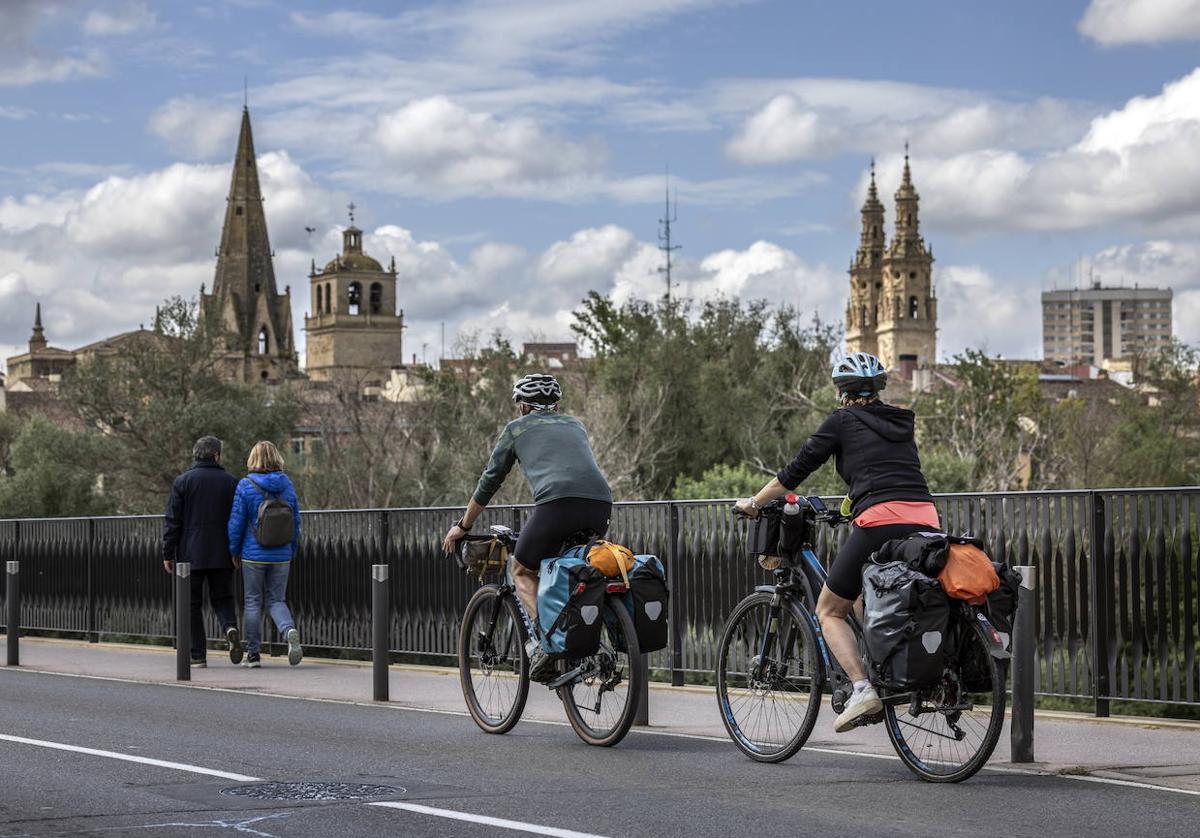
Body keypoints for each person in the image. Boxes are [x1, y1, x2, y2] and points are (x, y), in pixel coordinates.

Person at [734, 352, 940, 732]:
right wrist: (850, 505)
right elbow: (883, 472)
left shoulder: (842, 421)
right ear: (878, 388)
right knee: (870, 594)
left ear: (841, 391)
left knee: (829, 609)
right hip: (926, 518)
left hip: (880, 520)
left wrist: (753, 503)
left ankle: (862, 688)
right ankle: (892, 668)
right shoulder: (900, 421)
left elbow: (795, 471)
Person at [441, 373, 612, 681]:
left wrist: (464, 526)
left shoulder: (516, 429)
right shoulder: (575, 425)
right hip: (600, 505)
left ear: (522, 405)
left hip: (557, 506)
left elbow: (489, 481)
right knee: (574, 569)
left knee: (521, 569)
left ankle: (548, 644)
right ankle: (585, 640)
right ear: (556, 404)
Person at [163, 436, 244, 668]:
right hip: (222, 552)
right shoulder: (231, 482)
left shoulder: (182, 482)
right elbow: (237, 519)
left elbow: (172, 521)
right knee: (223, 597)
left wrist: (168, 552)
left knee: (191, 604)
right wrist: (235, 549)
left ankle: (197, 655)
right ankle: (229, 627)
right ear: (216, 456)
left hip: (190, 554)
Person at [228, 441, 303, 668]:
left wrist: (233, 550)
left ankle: (253, 654)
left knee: (252, 602)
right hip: (282, 554)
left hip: (253, 553)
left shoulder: (245, 485)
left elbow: (236, 522)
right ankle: (289, 630)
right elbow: (296, 522)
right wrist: (292, 549)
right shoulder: (287, 485)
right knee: (276, 600)